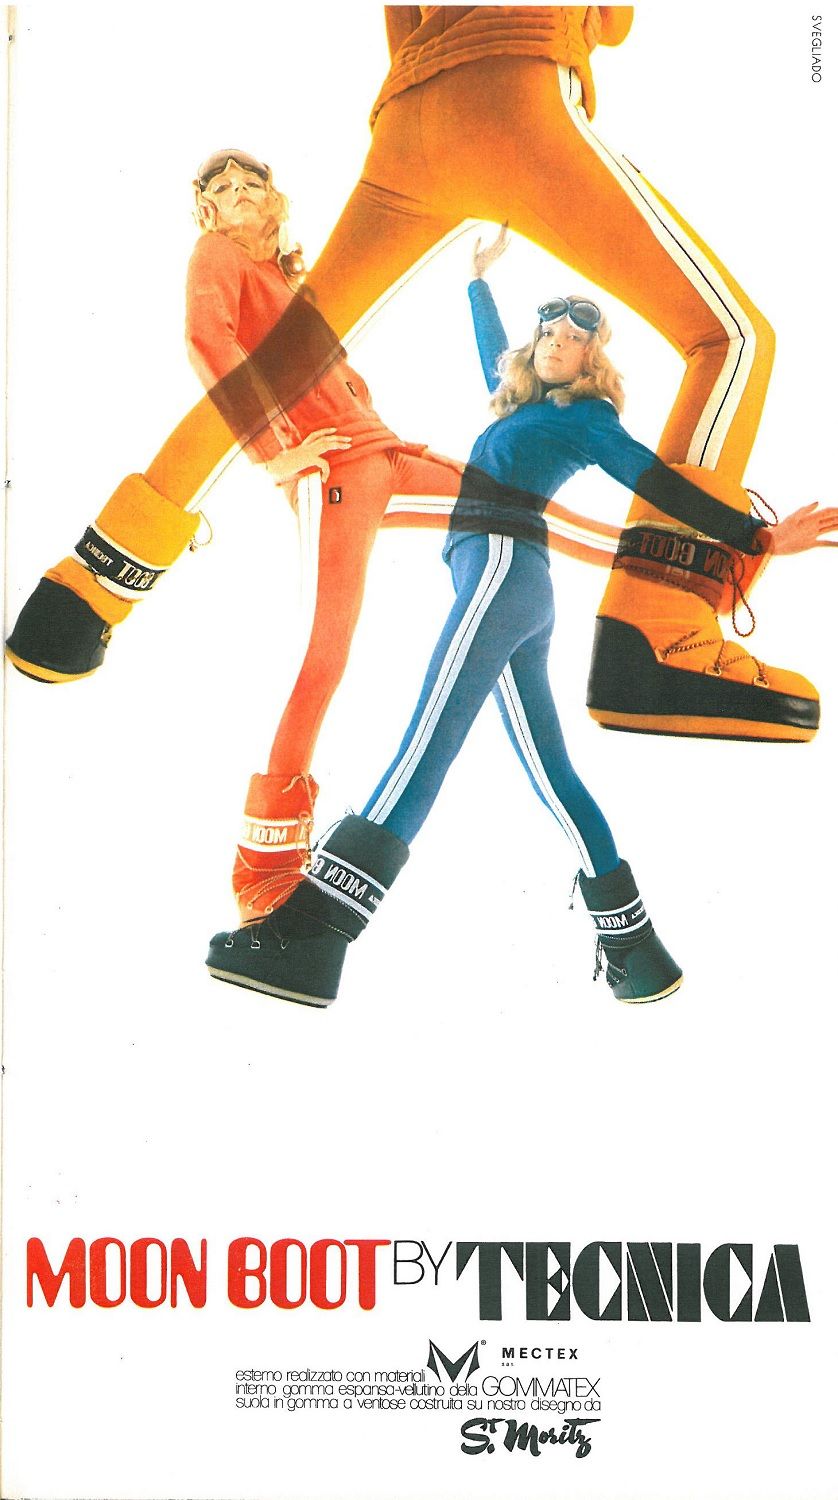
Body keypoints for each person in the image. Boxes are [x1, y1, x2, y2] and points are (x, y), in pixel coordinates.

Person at [6, 7, 825, 743]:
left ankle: (79, 599)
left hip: (408, 122)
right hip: (520, 92)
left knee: (284, 362)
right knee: (731, 339)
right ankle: (659, 629)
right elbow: (610, 22)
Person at [206, 229, 838, 1008]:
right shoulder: (522, 407)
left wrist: (759, 537)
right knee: (551, 773)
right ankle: (636, 952)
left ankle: (313, 936)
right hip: (513, 586)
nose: (556, 345)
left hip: (502, 574)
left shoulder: (588, 419)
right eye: (548, 335)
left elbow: (658, 483)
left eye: (573, 340)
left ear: (592, 360)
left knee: (426, 743)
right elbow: (494, 360)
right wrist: (478, 284)